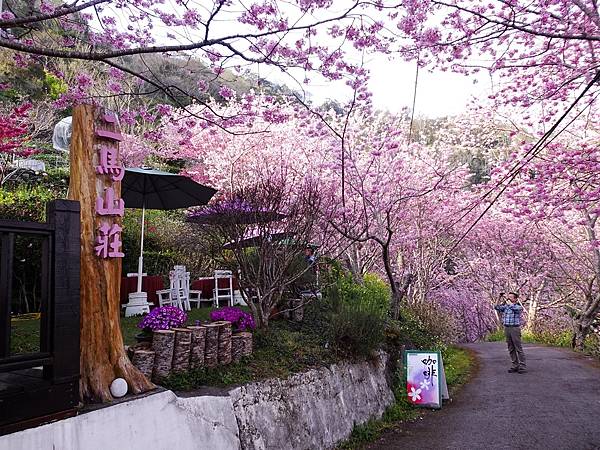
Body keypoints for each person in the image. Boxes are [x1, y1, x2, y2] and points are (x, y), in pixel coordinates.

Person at [494, 292, 526, 373]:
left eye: (511, 297)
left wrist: (510, 303)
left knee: (518, 348)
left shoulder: (518, 307)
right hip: (507, 328)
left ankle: (522, 366)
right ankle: (515, 365)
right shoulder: (506, 307)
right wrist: (499, 297)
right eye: (508, 297)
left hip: (514, 328)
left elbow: (516, 309)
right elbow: (496, 307)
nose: (508, 299)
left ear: (515, 299)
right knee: (510, 348)